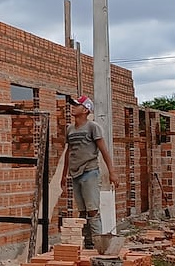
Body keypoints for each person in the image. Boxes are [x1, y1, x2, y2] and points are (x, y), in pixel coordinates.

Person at [61, 95, 119, 249]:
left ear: (86, 110)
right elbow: (69, 152)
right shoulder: (70, 129)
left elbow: (104, 150)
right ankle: (87, 244)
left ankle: (98, 244)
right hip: (75, 173)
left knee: (92, 210)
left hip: (89, 172)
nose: (73, 107)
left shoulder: (93, 127)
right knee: (82, 211)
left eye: (77, 105)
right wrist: (64, 175)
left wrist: (112, 172)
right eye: (73, 105)